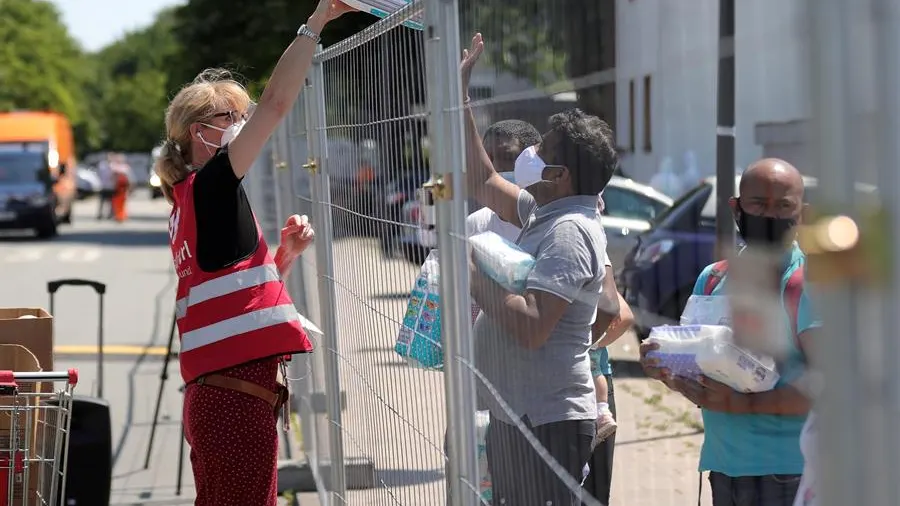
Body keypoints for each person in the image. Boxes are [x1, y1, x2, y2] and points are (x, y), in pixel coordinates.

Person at [153, 2, 353, 505]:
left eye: (244, 114)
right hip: (233, 402)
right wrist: (317, 22)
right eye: (234, 116)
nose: (246, 122)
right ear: (201, 132)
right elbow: (278, 105)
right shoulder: (214, 182)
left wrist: (281, 257)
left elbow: (228, 291)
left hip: (222, 397)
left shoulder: (188, 200)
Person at [461, 32, 621, 505]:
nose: (530, 157)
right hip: (519, 415)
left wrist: (471, 273)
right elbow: (483, 179)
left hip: (549, 423)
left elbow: (532, 327)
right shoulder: (544, 210)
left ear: (561, 175)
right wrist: (460, 97)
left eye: (542, 151)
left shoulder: (570, 231)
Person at [639, 158, 822, 506]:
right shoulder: (712, 278)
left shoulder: (805, 285)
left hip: (784, 476)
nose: (769, 216)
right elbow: (702, 371)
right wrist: (668, 369)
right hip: (724, 470)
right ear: (736, 209)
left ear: (803, 215)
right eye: (759, 204)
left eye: (783, 206)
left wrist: (745, 405)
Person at [110, 154, 132, 222]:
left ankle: (122, 216)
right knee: (116, 203)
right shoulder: (114, 167)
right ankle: (118, 215)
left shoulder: (125, 167)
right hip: (117, 188)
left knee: (122, 203)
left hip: (123, 189)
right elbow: (112, 178)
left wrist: (130, 187)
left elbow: (129, 179)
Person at [96, 153, 115, 220]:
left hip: (111, 186)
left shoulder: (114, 165)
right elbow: (99, 174)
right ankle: (100, 214)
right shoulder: (102, 165)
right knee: (102, 201)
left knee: (111, 202)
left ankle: (111, 214)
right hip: (103, 186)